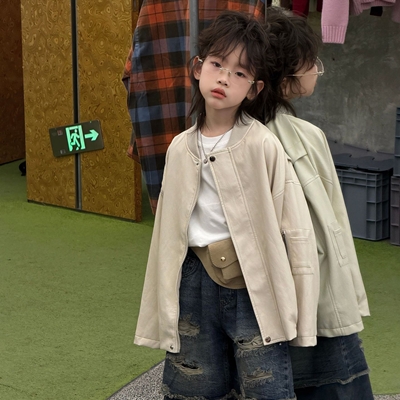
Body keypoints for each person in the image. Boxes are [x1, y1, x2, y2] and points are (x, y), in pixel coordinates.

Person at [134, 10, 320, 400]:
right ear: (197, 68)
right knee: (193, 383)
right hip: (193, 280)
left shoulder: (262, 144)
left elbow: (296, 230)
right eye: (217, 64)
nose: (224, 78)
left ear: (254, 89)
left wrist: (302, 315)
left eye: (239, 73)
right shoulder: (180, 148)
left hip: (253, 283)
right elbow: (166, 237)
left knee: (265, 384)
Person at [265, 7, 374, 399]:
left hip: (268, 302)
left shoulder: (244, 132)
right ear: (289, 74)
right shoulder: (304, 137)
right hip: (314, 290)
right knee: (335, 380)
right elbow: (332, 230)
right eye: (312, 60)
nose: (317, 68)